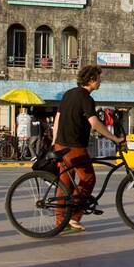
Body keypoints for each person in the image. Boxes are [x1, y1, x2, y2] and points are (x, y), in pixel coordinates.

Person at [52, 66, 123, 232]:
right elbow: (94, 123)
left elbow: (58, 118)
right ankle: (74, 216)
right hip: (74, 146)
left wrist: (55, 143)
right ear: (91, 79)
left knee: (66, 182)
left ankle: (61, 221)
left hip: (61, 145)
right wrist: (113, 138)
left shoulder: (69, 94)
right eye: (99, 78)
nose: (100, 81)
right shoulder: (86, 98)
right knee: (88, 178)